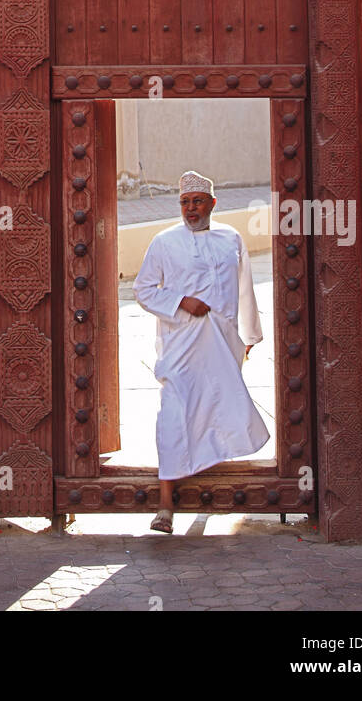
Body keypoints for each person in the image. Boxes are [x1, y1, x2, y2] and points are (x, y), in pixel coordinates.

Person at [132, 170, 269, 534]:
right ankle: (165, 505)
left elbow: (244, 289)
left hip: (222, 343)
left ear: (212, 203)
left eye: (197, 202)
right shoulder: (164, 242)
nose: (190, 209)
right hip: (181, 345)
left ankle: (209, 490)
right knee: (174, 415)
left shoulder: (231, 238)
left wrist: (249, 334)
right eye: (184, 202)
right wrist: (181, 302)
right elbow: (143, 290)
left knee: (216, 411)